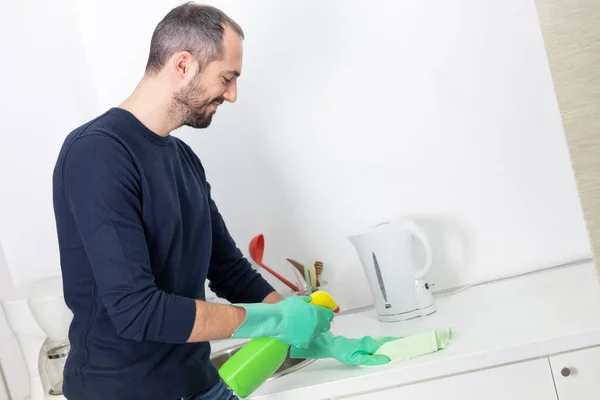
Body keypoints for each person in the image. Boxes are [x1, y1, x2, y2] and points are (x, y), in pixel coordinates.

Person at [52, 3, 393, 400]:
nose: (231, 95)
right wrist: (273, 320)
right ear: (182, 65)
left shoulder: (183, 160)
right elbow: (136, 310)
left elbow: (229, 271)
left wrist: (308, 332)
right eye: (226, 78)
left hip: (199, 384)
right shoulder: (97, 154)